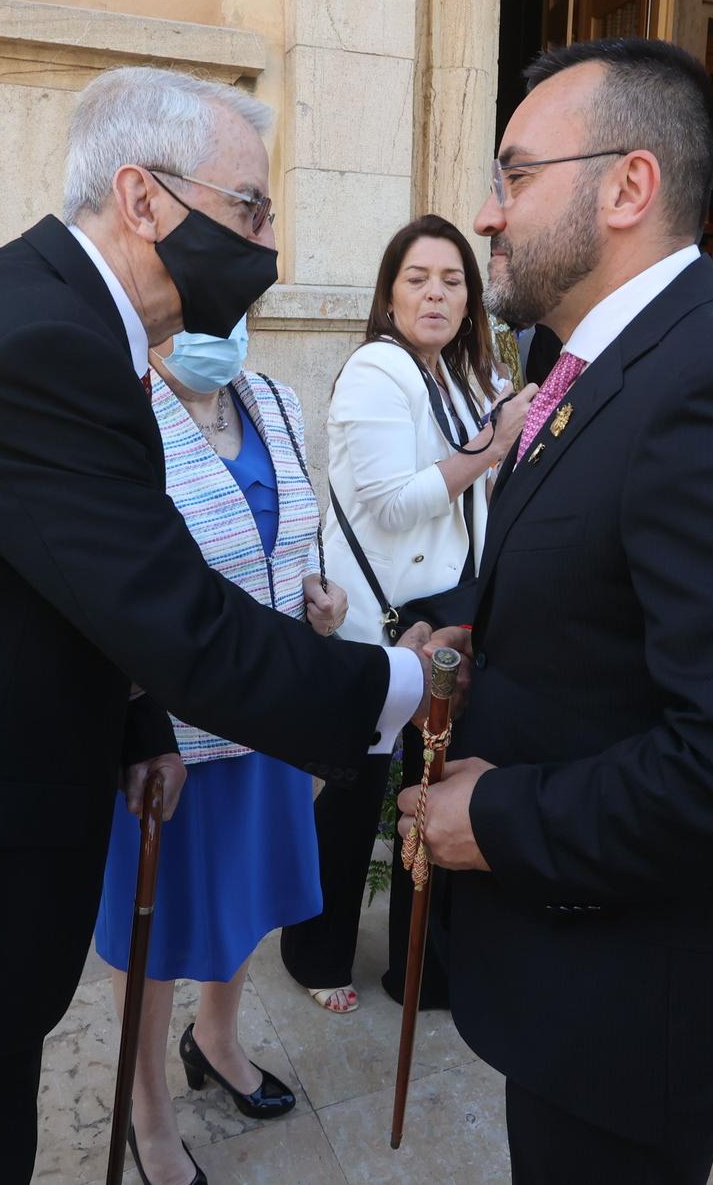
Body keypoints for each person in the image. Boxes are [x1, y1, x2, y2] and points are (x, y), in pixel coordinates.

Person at [0, 65, 439, 1183]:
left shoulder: (49, 318)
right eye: (248, 210)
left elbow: (57, 582)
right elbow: (184, 621)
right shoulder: (38, 343)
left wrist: (135, 722)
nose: (265, 241)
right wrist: (394, 685)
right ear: (143, 199)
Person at [395, 38, 713, 1184]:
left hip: (640, 993)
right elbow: (608, 569)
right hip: (581, 972)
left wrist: (497, 821)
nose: (486, 214)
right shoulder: (610, 360)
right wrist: (480, 630)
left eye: (513, 174)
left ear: (627, 186)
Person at [94, 319, 342, 1185]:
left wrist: (314, 593)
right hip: (169, 735)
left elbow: (288, 528)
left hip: (268, 709)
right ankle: (148, 1110)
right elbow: (106, 579)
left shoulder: (271, 397)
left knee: (244, 898)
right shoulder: (121, 411)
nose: (218, 321)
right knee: (152, 930)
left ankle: (219, 1038)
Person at [279, 215, 535, 1016]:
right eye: (418, 278)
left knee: (433, 789)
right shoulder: (373, 372)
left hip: (448, 608)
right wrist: (495, 446)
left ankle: (421, 965)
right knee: (354, 798)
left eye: (452, 280)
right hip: (377, 622)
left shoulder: (461, 378)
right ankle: (315, 950)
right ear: (389, 295)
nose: (436, 293)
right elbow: (393, 506)